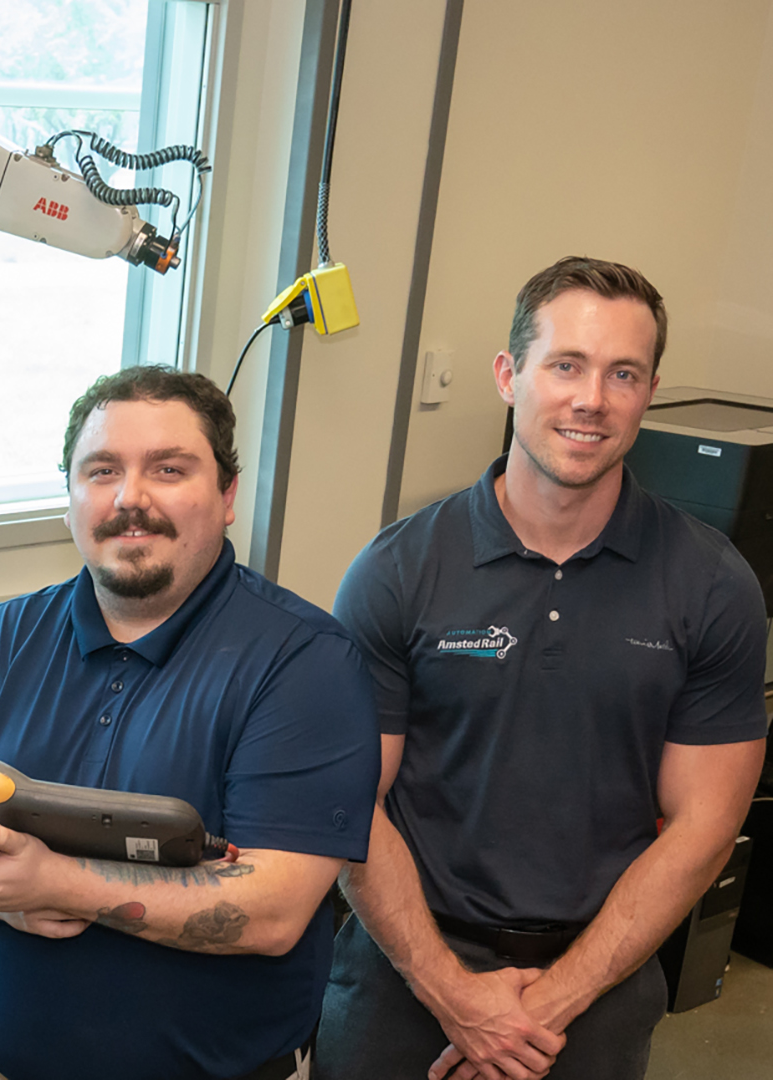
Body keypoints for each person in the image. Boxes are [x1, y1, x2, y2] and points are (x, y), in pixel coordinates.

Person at [316, 256, 767, 1080]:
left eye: (622, 373)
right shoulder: (397, 571)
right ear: (508, 376)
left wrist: (551, 1003)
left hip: (599, 981)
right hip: (406, 969)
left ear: (650, 392)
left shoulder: (711, 584)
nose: (592, 399)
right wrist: (453, 993)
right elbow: (349, 802)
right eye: (566, 365)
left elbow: (704, 828)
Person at [0, 366, 381, 1080]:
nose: (130, 499)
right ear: (70, 499)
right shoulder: (2, 638)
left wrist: (54, 883)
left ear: (227, 495)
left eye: (168, 470)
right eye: (102, 471)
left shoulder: (305, 664)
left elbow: (273, 911)